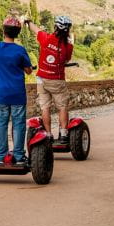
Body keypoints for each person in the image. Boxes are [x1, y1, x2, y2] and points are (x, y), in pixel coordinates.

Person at [0, 16, 33, 164]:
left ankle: (0, 157)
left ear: (3, 31)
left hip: (2, 94)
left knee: (2, 125)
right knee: (18, 125)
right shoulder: (20, 50)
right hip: (17, 94)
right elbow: (29, 70)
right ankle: (18, 157)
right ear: (17, 33)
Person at [24, 15, 74, 143]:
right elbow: (67, 59)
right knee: (62, 107)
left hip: (41, 78)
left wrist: (28, 21)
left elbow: (35, 29)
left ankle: (48, 135)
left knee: (45, 107)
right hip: (57, 79)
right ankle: (63, 134)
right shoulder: (68, 46)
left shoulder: (46, 38)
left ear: (55, 26)